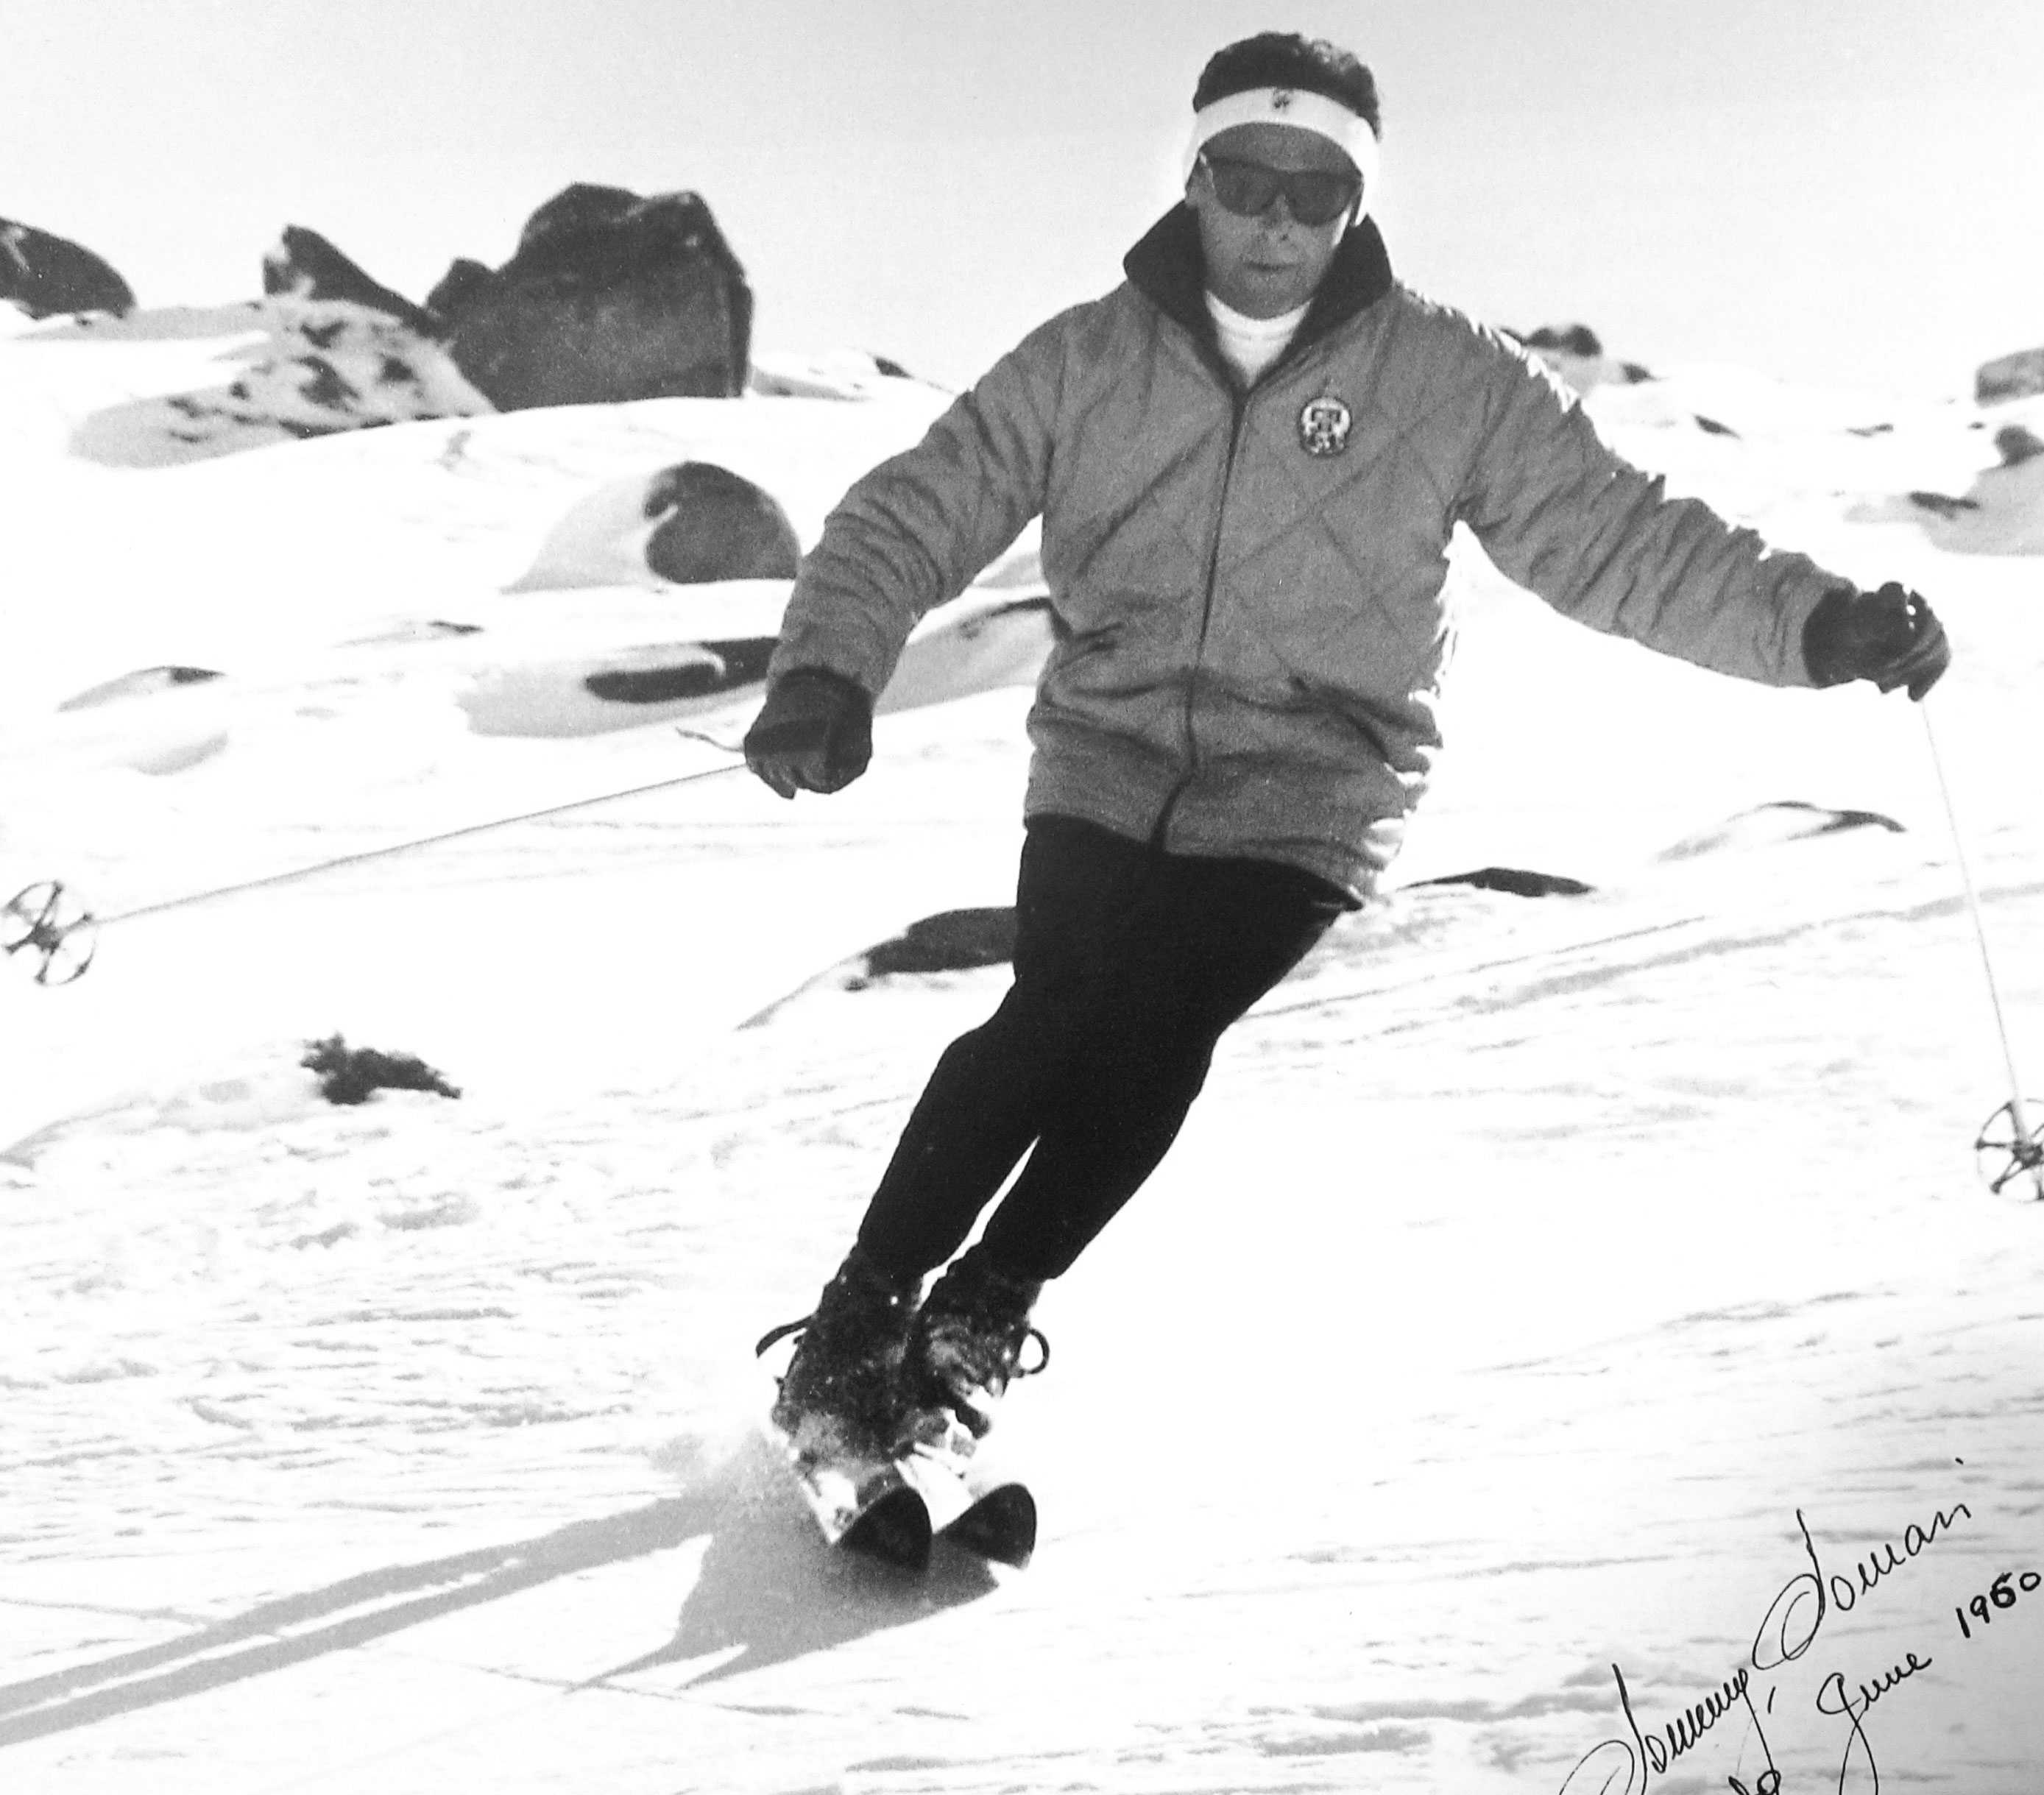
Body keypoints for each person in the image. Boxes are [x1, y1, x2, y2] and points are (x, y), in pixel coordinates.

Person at [741, 32, 1951, 1462]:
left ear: (1357, 207)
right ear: (1192, 179)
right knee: (1058, 1006)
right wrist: (828, 663)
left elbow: (1619, 539)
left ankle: (979, 1315)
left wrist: (1816, 625)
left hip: (1319, 776)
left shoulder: (1449, 378)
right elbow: (918, 508)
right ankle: (858, 1319)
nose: (1274, 217)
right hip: (1110, 750)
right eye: (1244, 177)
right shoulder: (1085, 360)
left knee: (1159, 1018)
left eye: (1315, 191)